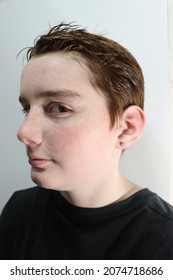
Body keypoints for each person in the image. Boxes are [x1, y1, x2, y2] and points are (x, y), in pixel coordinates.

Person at [0, 22, 173, 260]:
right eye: (27, 109)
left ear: (126, 129)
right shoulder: (19, 210)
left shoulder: (163, 240)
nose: (24, 133)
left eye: (59, 108)